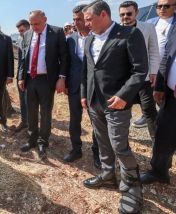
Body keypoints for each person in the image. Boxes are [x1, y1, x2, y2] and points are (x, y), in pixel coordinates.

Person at [80, 1, 148, 213]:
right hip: (94, 101)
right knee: (102, 141)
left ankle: (133, 188)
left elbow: (140, 71)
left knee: (119, 144)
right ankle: (108, 174)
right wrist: (84, 94)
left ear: (103, 15)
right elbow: (87, 69)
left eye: (89, 19)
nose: (86, 23)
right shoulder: (89, 38)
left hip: (116, 102)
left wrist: (123, 96)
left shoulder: (129, 34)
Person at [18, 10, 68, 159]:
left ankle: (43, 141)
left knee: (45, 112)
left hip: (47, 80)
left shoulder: (57, 32)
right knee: (31, 111)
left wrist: (62, 77)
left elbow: (64, 57)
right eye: (31, 24)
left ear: (45, 19)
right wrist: (21, 76)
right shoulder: (27, 34)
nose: (34, 27)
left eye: (37, 23)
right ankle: (32, 139)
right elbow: (23, 58)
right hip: (30, 79)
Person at [64, 4, 101, 169]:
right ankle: (76, 149)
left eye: (79, 19)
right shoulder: (70, 39)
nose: (76, 22)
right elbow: (66, 62)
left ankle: (97, 152)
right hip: (74, 85)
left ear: (87, 17)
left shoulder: (99, 37)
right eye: (74, 19)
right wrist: (63, 81)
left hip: (95, 86)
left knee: (97, 121)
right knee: (74, 119)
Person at [119, 1, 160, 143]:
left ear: (136, 13)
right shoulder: (116, 30)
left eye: (129, 14)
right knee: (123, 112)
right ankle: (122, 142)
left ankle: (157, 142)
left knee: (149, 111)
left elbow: (154, 50)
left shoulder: (148, 27)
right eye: (122, 15)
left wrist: (153, 72)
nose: (125, 17)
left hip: (144, 78)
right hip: (124, 80)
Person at [140, 24, 176, 185]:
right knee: (163, 134)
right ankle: (159, 171)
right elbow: (167, 57)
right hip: (170, 95)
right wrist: (160, 86)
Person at [134, 0, 176, 128]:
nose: (162, 8)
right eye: (159, 6)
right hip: (151, 64)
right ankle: (147, 116)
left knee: (164, 95)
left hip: (169, 67)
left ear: (174, 7)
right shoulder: (151, 22)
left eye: (166, 6)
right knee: (149, 93)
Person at [14, 19, 30, 133]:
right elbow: (20, 61)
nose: (21, 33)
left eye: (22, 31)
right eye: (19, 31)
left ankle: (32, 125)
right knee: (22, 101)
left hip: (32, 76)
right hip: (20, 75)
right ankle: (24, 121)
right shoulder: (20, 40)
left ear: (29, 28)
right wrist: (19, 77)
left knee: (30, 101)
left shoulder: (35, 40)